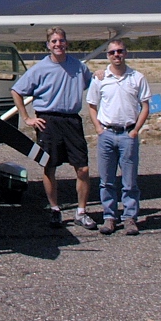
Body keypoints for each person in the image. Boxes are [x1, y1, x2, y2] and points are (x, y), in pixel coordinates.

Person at [11, 27, 97, 230]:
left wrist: (101, 74)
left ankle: (82, 212)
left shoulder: (79, 67)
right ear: (48, 45)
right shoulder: (40, 68)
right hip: (48, 121)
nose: (58, 44)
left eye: (61, 41)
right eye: (54, 41)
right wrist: (27, 117)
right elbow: (16, 90)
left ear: (66, 43)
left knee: (83, 168)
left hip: (72, 121)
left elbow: (92, 84)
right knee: (50, 167)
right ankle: (55, 209)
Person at [86, 39, 151, 236]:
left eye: (120, 51)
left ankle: (130, 218)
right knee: (106, 180)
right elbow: (91, 105)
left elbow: (145, 106)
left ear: (126, 53)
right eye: (112, 52)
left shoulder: (137, 78)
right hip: (107, 133)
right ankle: (109, 217)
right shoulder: (100, 78)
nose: (116, 55)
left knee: (129, 180)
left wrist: (135, 131)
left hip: (127, 133)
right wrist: (98, 128)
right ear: (107, 55)